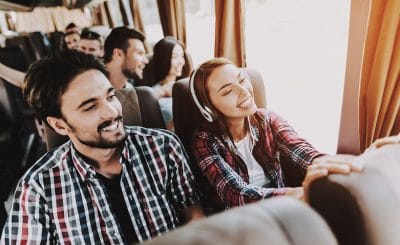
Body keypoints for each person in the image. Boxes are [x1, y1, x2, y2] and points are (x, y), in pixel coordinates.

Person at [1, 50, 203, 244]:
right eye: (91, 107)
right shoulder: (37, 187)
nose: (112, 112)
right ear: (59, 125)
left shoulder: (164, 147)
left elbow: (194, 217)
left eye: (111, 96)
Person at [189, 57, 362, 213]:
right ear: (208, 109)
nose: (244, 91)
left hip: (282, 207)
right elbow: (234, 192)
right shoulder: (204, 140)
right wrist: (298, 194)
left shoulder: (267, 119)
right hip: (237, 220)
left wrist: (336, 166)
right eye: (228, 91)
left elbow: (301, 149)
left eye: (242, 80)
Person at [148, 36, 186, 129]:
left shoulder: (186, 85)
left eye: (182, 56)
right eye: (175, 57)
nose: (181, 62)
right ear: (163, 59)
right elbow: (164, 131)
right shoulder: (154, 94)